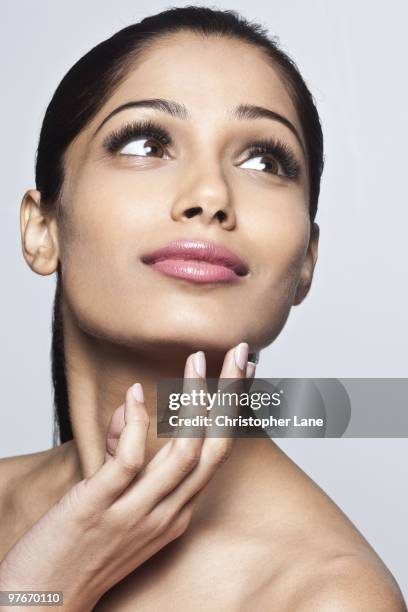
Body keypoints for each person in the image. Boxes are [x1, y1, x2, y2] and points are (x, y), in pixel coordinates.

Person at [0, 6, 406, 611]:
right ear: (43, 228)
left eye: (265, 161)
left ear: (306, 263)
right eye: (146, 143)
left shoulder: (329, 596)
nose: (211, 196)